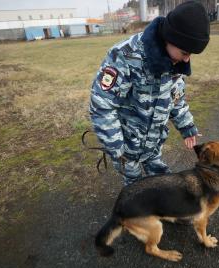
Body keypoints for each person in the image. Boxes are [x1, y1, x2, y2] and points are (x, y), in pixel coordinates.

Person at [89, 1, 210, 186]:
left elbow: (176, 99)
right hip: (127, 148)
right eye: (185, 52)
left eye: (191, 54)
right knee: (135, 190)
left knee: (162, 183)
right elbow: (102, 105)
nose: (187, 59)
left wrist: (187, 127)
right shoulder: (125, 56)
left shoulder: (176, 62)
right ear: (170, 38)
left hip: (154, 144)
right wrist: (116, 147)